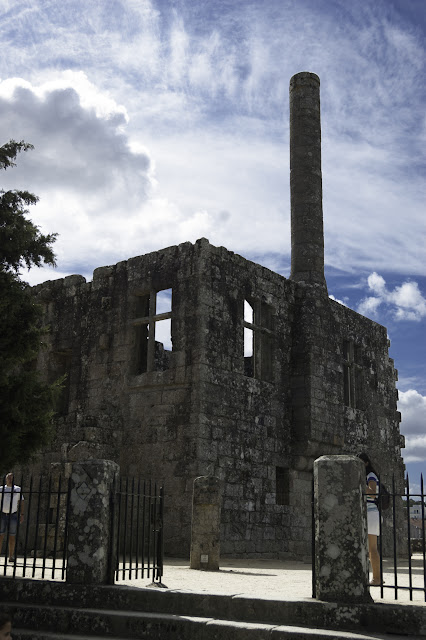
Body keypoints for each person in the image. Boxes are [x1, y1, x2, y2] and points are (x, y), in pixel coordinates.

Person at [358, 453, 381, 586]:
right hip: (365, 512)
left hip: (371, 512)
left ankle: (377, 578)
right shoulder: (365, 475)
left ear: (366, 463)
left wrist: (361, 483)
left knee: (372, 548)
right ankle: (376, 577)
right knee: (367, 548)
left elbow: (373, 493)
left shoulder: (370, 475)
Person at [0, 473, 24, 563]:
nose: (10, 479)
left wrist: (22, 514)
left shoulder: (17, 489)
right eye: (8, 478)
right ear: (6, 479)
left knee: (12, 536)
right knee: (0, 536)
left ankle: (11, 556)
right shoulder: (1, 489)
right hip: (2, 514)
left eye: (11, 478)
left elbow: (21, 501)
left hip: (13, 515)